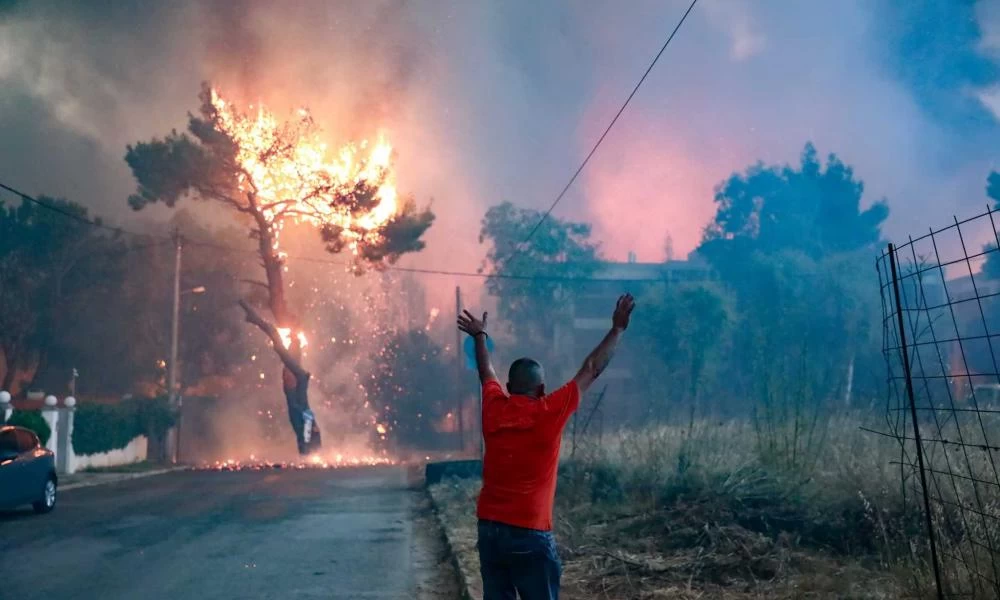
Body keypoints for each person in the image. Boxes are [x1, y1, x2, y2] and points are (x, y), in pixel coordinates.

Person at [457, 293, 635, 600]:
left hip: (489, 529)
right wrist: (617, 329)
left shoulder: (494, 408)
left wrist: (480, 336)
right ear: (541, 389)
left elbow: (486, 373)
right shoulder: (548, 411)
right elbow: (592, 368)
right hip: (529, 532)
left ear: (510, 389)